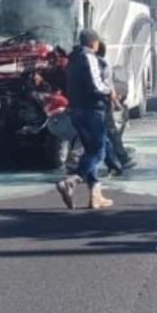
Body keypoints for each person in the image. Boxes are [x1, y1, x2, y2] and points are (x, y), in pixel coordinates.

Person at [56, 29, 114, 210]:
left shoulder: (72, 59)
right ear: (93, 43)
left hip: (77, 111)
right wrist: (109, 91)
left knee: (89, 151)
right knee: (99, 152)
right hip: (92, 110)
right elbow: (96, 85)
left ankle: (95, 196)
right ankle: (72, 181)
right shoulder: (89, 57)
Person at [95, 42, 134, 173]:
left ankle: (117, 161)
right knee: (110, 133)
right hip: (102, 104)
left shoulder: (90, 63)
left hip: (94, 105)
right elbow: (108, 86)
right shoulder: (102, 64)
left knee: (102, 134)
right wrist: (115, 102)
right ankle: (121, 160)